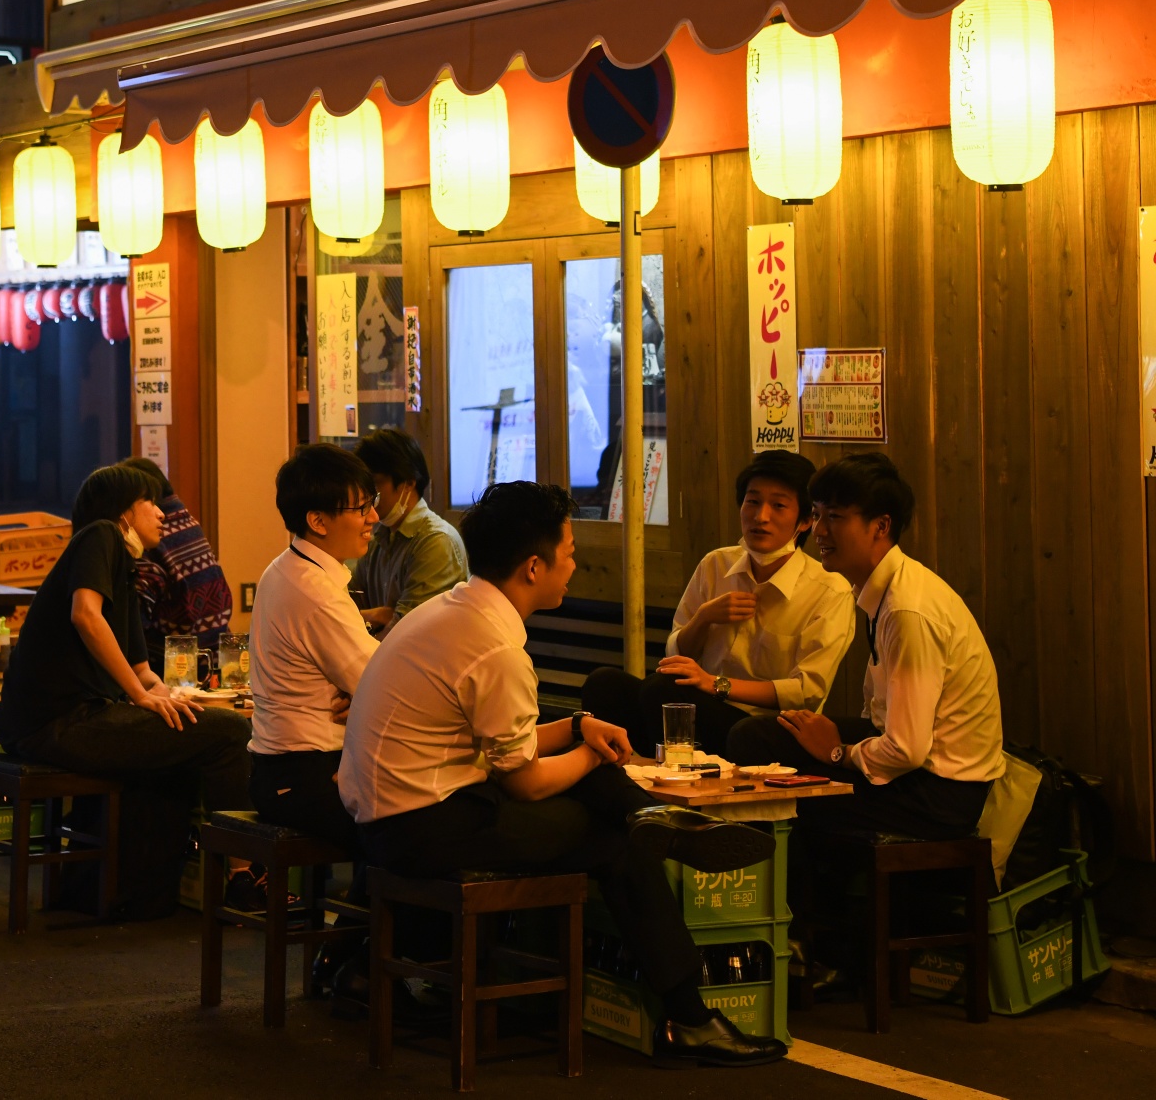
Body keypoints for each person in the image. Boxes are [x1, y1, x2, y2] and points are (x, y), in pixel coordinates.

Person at [340, 480, 787, 1066]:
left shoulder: (452, 611)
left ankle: (655, 821)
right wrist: (593, 753)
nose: (574, 564)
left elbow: (505, 744)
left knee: (591, 762)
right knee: (617, 842)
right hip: (423, 826)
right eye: (570, 552)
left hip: (389, 818)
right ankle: (689, 1013)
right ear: (534, 566)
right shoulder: (495, 648)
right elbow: (524, 781)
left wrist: (579, 727)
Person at [727, 454, 1004, 978]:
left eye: (836, 517)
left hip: (939, 792)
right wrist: (835, 746)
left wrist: (837, 753)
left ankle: (813, 950)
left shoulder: (908, 610)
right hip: (910, 765)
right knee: (757, 739)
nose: (820, 530)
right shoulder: (882, 589)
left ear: (880, 527)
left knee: (786, 798)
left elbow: (907, 749)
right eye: (818, 514)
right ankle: (800, 939)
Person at [0, 464, 252, 918]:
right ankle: (245, 878)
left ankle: (144, 891)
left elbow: (142, 669)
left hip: (76, 718)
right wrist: (139, 696)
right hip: (56, 722)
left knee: (198, 725)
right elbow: (85, 615)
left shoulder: (127, 565)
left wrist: (170, 696)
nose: (161, 513)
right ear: (123, 513)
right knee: (231, 733)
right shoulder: (101, 535)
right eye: (149, 502)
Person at [581, 451, 855, 759]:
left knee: (664, 691)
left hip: (764, 729)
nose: (760, 516)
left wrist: (715, 684)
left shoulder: (829, 590)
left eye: (778, 506)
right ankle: (621, 771)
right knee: (605, 684)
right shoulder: (716, 564)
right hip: (698, 708)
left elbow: (806, 691)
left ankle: (669, 772)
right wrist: (704, 617)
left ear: (805, 521)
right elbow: (676, 657)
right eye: (752, 501)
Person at [247, 444, 380, 857]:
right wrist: (367, 698)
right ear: (318, 521)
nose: (374, 517)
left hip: (281, 772)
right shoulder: (315, 590)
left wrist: (363, 699)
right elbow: (386, 686)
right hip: (308, 776)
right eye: (361, 508)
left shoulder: (284, 568)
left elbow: (373, 684)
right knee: (417, 826)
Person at [350, 429, 466, 635]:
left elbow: (406, 636)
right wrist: (372, 615)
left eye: (374, 485)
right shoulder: (379, 539)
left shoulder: (436, 541)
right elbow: (348, 607)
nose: (367, 496)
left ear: (408, 483)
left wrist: (367, 617)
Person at [119, 456, 233, 667]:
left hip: (176, 667)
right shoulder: (188, 523)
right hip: (217, 656)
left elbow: (132, 627)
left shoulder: (152, 542)